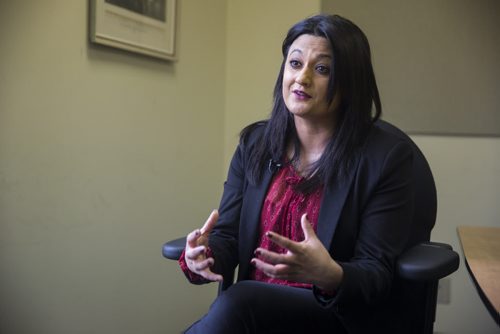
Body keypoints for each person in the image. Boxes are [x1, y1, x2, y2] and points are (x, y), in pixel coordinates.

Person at [179, 14, 415, 333]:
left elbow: (377, 274)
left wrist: (329, 273)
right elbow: (229, 237)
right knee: (240, 303)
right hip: (248, 315)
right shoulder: (255, 145)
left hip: (331, 316)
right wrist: (204, 256)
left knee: (240, 301)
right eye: (295, 63)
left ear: (349, 83)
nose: (301, 78)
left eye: (321, 69)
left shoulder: (385, 158)